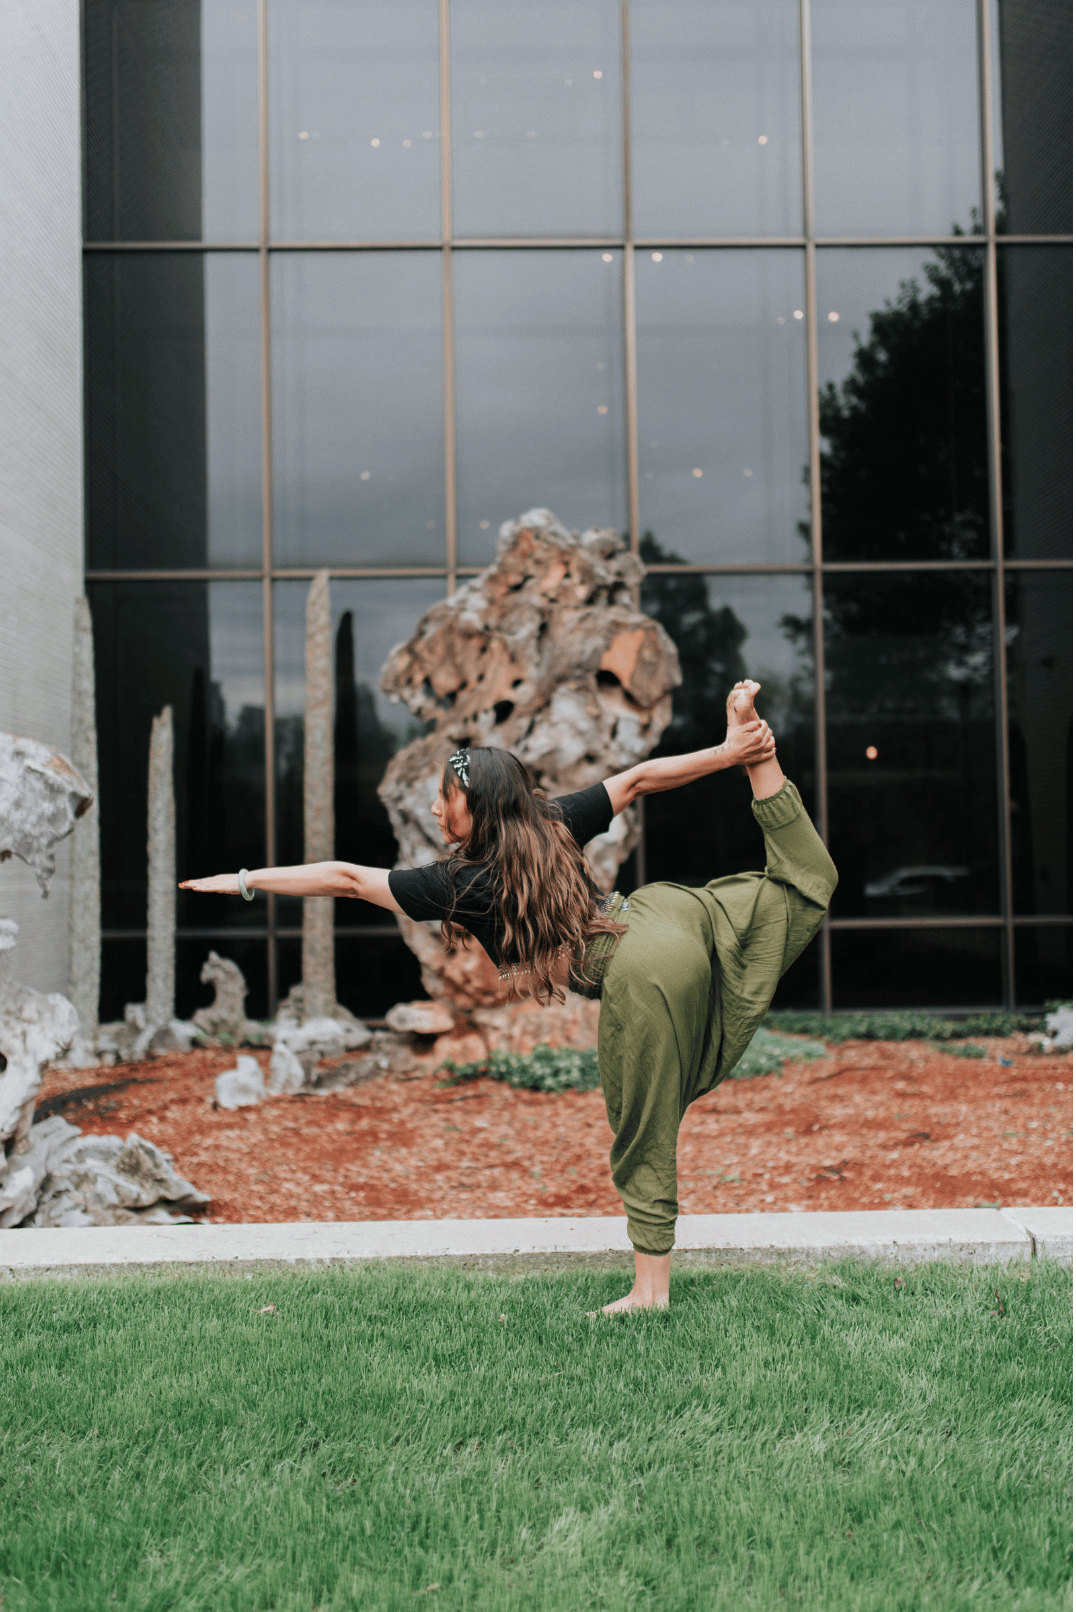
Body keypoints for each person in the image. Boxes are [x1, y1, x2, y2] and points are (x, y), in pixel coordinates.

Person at [181, 681, 837, 1312]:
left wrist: (244, 880)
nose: (437, 810)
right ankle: (759, 758)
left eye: (446, 799)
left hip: (641, 970)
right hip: (670, 916)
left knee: (644, 1126)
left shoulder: (460, 882)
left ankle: (650, 1293)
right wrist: (728, 754)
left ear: (479, 807)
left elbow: (348, 879)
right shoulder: (552, 820)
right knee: (805, 881)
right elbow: (638, 779)